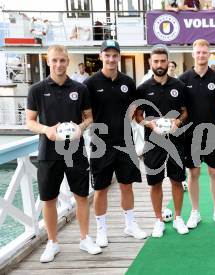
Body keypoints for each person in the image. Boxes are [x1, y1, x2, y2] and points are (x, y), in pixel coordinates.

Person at [26, 45, 102, 263]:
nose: (58, 64)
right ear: (48, 61)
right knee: (48, 199)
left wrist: (82, 127)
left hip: (75, 152)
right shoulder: (37, 90)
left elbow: (89, 117)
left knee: (81, 197)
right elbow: (30, 121)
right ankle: (52, 243)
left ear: (68, 61)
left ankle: (85, 238)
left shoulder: (80, 88)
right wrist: (46, 130)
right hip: (48, 153)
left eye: (62, 60)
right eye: (54, 60)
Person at [84, 40, 147, 248]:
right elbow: (85, 114)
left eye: (115, 55)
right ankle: (101, 231)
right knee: (101, 189)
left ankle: (130, 225)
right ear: (101, 56)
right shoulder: (90, 84)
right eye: (107, 55)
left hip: (125, 142)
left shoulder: (128, 82)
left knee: (126, 186)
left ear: (119, 57)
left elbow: (136, 111)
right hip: (100, 144)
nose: (111, 59)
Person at [135, 45, 189, 238]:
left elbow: (185, 111)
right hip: (153, 142)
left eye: (162, 61)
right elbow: (138, 116)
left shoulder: (179, 86)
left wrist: (178, 121)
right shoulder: (142, 89)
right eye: (155, 61)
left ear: (168, 62)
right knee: (155, 183)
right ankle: (158, 220)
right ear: (150, 63)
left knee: (177, 180)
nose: (159, 64)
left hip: (176, 140)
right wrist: (151, 124)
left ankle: (178, 218)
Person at [179, 39, 215, 229]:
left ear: (209, 54)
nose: (201, 55)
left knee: (214, 172)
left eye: (204, 52)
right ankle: (195, 212)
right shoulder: (183, 80)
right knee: (194, 172)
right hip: (190, 134)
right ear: (193, 54)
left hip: (213, 133)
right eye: (198, 52)